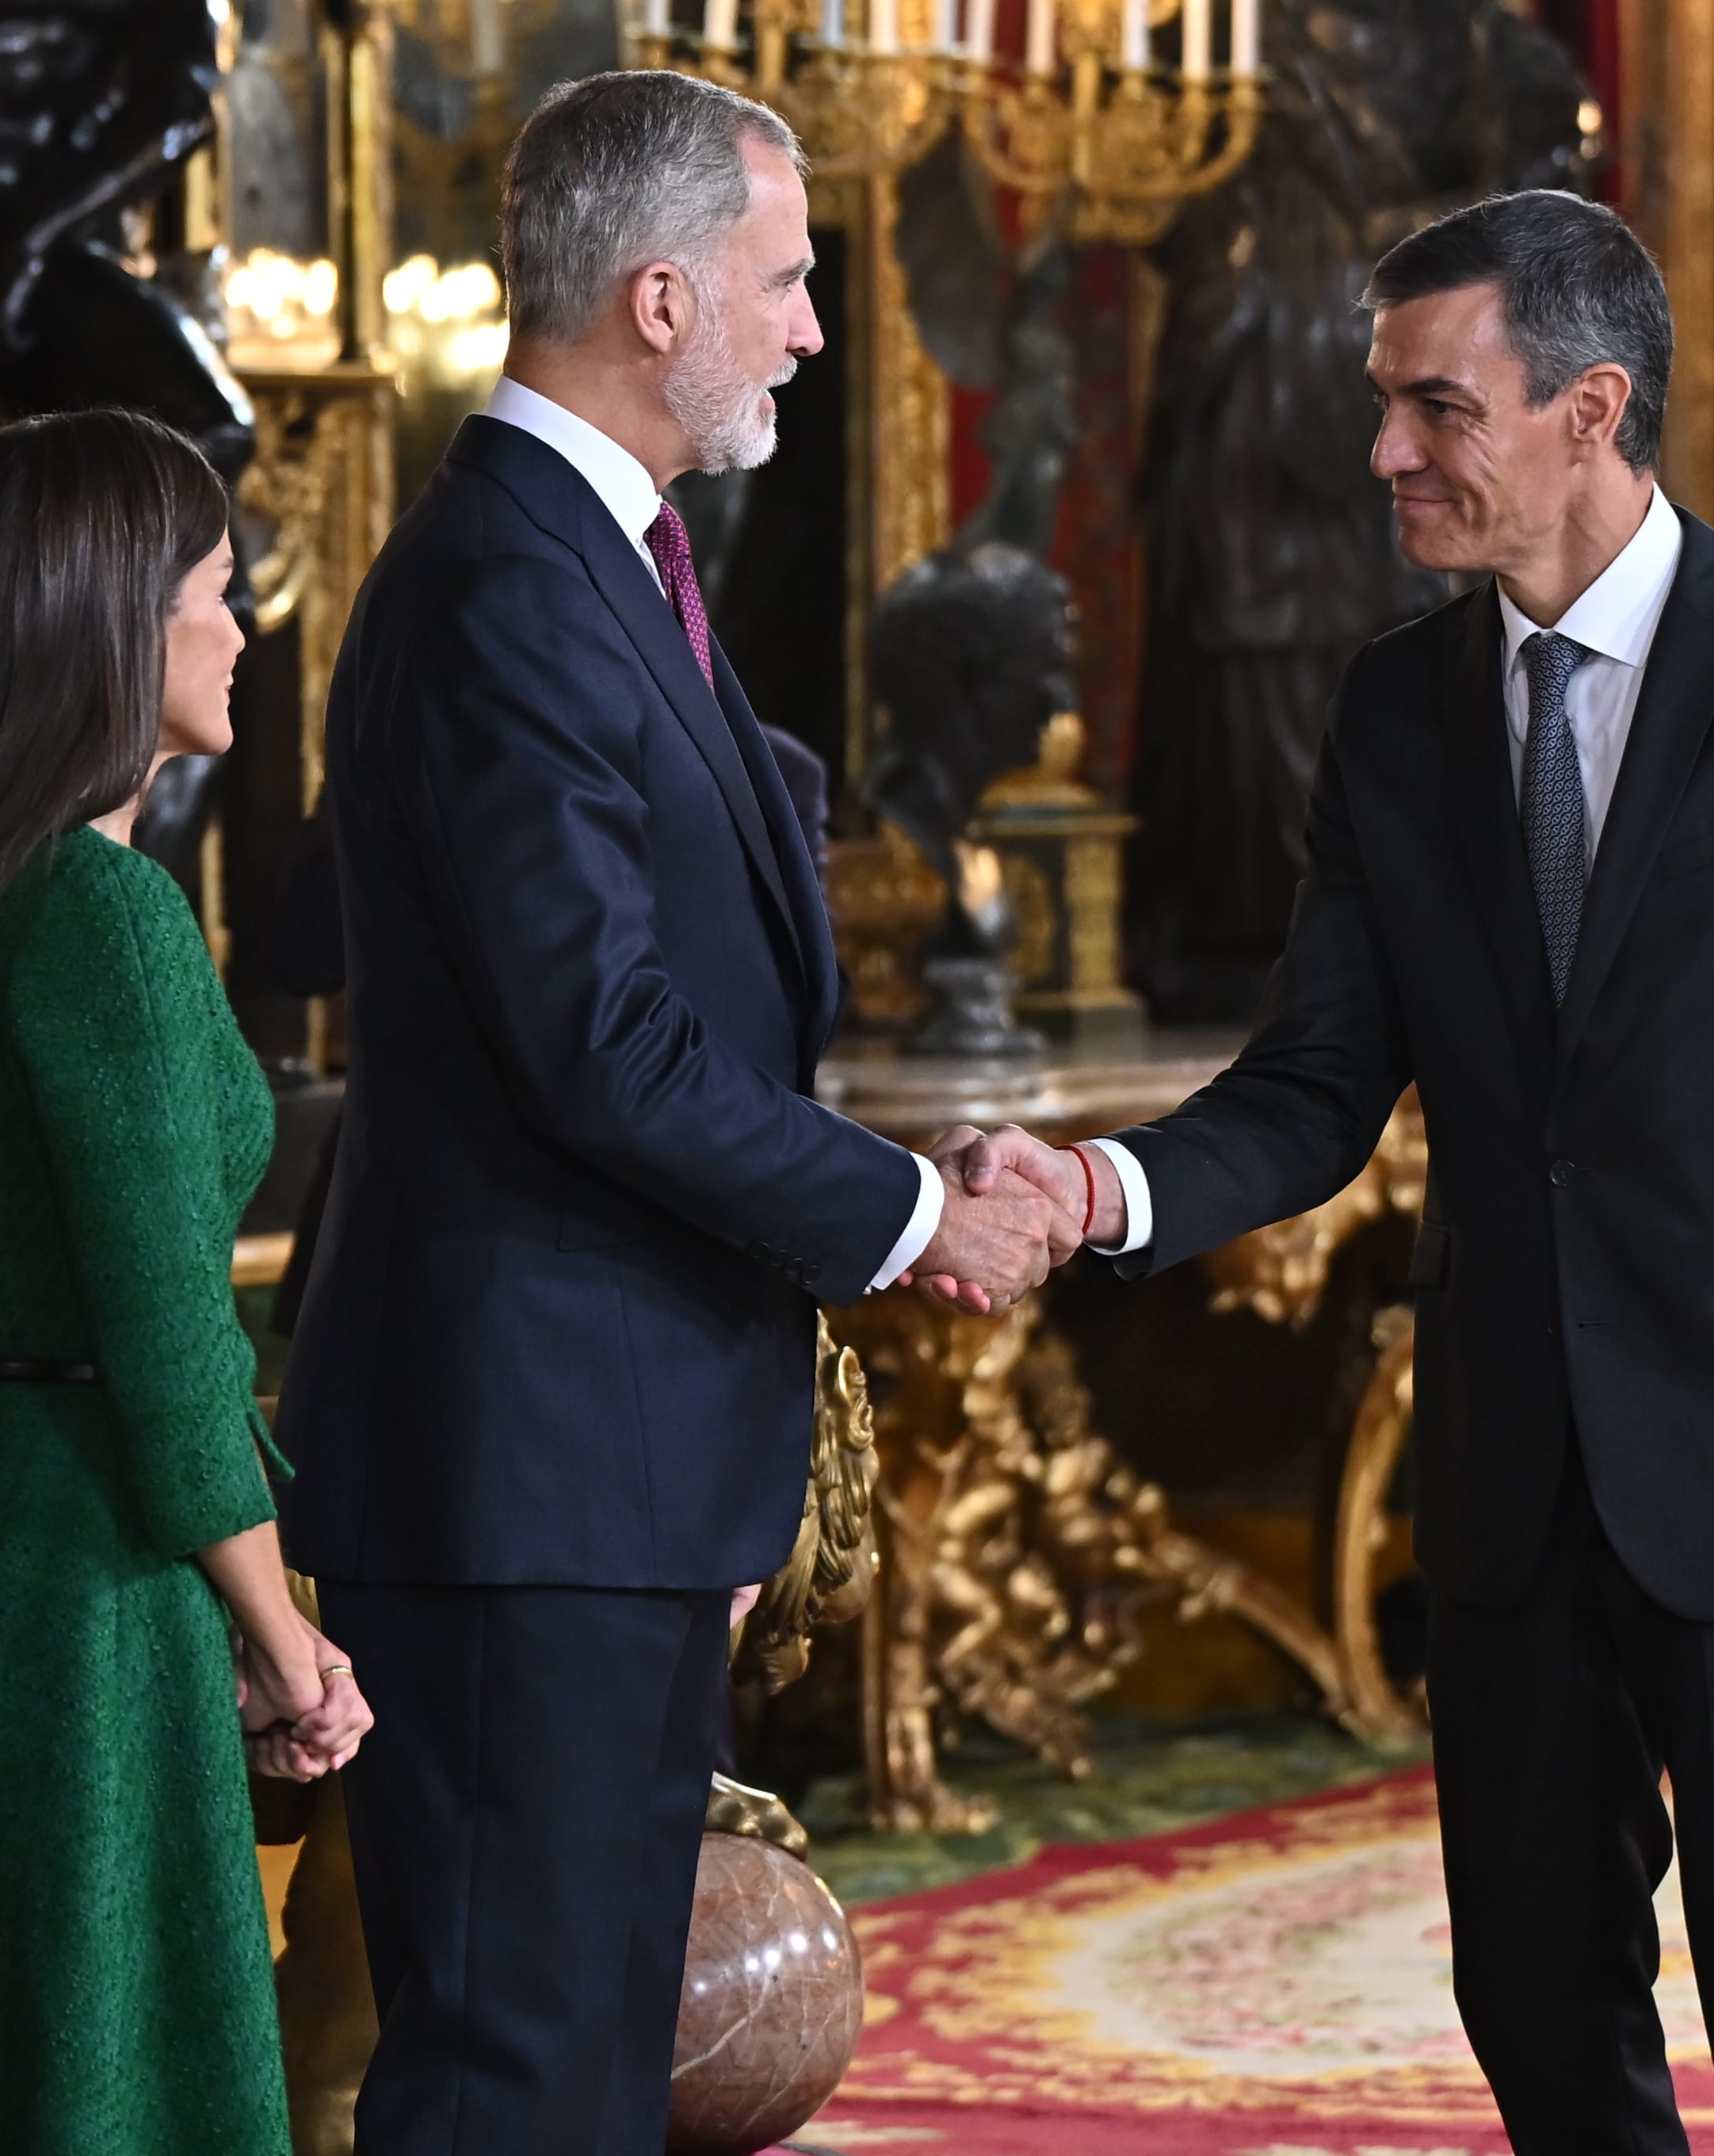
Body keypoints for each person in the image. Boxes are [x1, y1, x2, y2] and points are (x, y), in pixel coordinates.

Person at [961, 189, 1714, 2153]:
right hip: (1512, 1470)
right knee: (1532, 1999)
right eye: (1386, 403)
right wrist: (1100, 1192)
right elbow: (1316, 1083)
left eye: (1436, 407)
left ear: (1591, 406)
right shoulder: (1394, 707)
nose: (1386, 451)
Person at [271, 70, 1071, 2154]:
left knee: (593, 2065)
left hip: (601, 1455)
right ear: (656, 297)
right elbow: (602, 1045)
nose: (809, 324)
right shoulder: (511, 583)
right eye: (785, 278)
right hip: (526, 1463)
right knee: (520, 2068)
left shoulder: (596, 562)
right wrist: (910, 1214)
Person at [0, 407, 370, 2156]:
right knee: (106, 2074)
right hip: (102, 1587)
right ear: (111, 621)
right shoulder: (108, 913)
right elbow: (168, 1349)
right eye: (217, 593)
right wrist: (285, 1635)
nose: (246, 629)